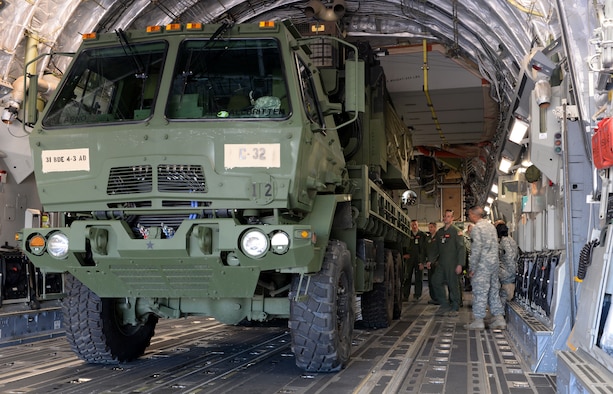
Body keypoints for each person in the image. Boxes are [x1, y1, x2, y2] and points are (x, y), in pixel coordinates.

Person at [464, 206, 506, 330]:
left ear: (473, 214)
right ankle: (499, 319)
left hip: (482, 266)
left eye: (469, 214)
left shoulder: (477, 229)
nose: (469, 216)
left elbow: (476, 250)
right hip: (493, 265)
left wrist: (472, 268)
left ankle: (478, 320)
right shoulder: (491, 227)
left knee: (480, 292)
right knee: (494, 292)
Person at [429, 209, 466, 316]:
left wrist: (460, 264)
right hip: (441, 263)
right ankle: (444, 305)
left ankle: (455, 307)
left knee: (453, 285)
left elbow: (461, 248)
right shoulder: (440, 232)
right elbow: (435, 249)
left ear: (452, 218)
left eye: (449, 216)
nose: (446, 218)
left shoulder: (456, 231)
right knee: (435, 281)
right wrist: (430, 260)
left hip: (453, 263)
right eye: (445, 216)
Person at [402, 220, 427, 301]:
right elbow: (403, 245)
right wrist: (404, 254)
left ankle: (417, 295)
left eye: (415, 224)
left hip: (419, 259)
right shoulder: (407, 234)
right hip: (410, 259)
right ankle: (405, 295)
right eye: (412, 225)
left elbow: (424, 248)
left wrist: (423, 261)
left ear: (418, 225)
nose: (414, 226)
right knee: (407, 276)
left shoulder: (422, 235)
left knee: (419, 278)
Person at [496, 222, 519, 310]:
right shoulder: (511, 240)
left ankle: (501, 312)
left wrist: (502, 268)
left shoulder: (504, 242)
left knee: (502, 293)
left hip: (506, 272)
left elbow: (509, 256)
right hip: (511, 270)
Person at [425, 222, 439, 305]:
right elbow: (426, 251)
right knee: (430, 281)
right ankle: (433, 297)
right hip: (429, 263)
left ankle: (438, 298)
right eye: (429, 227)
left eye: (431, 227)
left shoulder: (439, 238)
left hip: (436, 263)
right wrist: (427, 261)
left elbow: (440, 251)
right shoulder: (428, 239)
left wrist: (436, 261)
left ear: (435, 228)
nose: (430, 229)